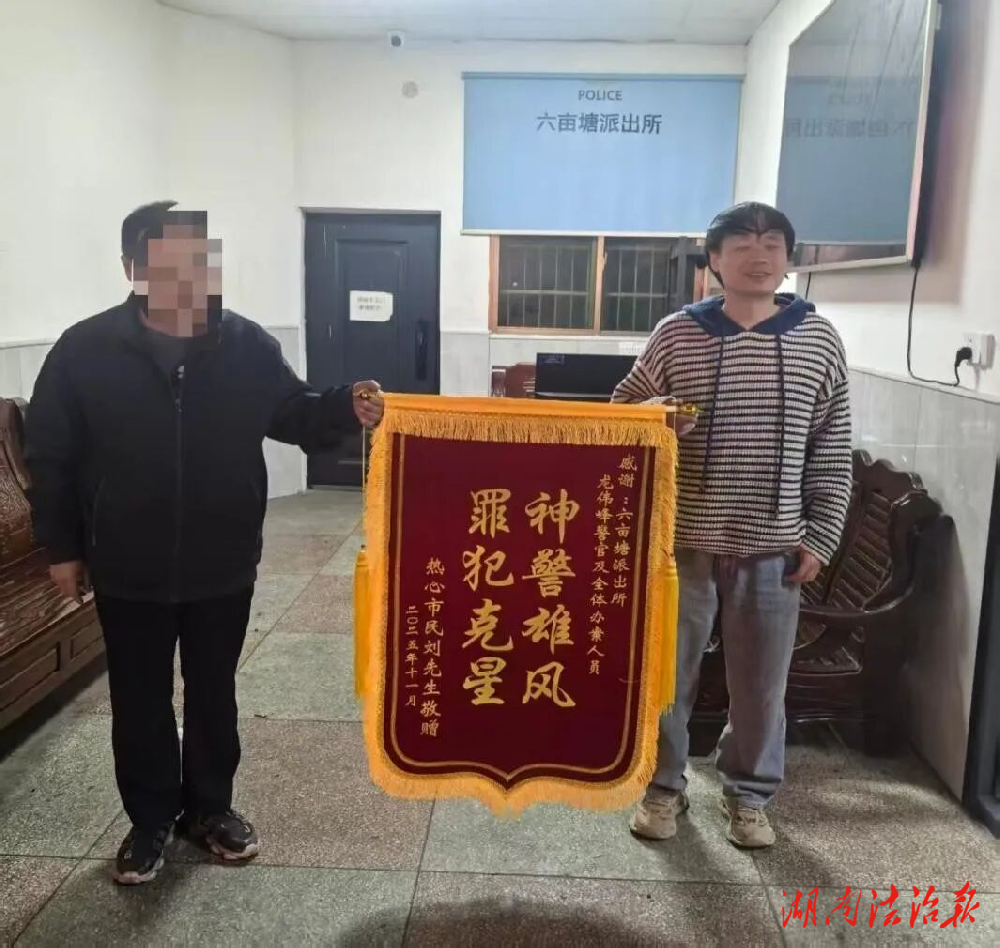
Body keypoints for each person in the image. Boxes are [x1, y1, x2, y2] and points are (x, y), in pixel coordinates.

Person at [25, 201, 384, 885]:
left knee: (214, 690)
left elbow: (293, 413)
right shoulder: (84, 350)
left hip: (222, 557)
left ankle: (211, 809)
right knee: (139, 697)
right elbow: (51, 455)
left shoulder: (244, 345)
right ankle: (150, 818)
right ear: (132, 267)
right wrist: (63, 548)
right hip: (126, 560)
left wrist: (345, 405)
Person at [613, 202, 852, 849]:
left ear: (788, 258)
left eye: (772, 243)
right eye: (741, 243)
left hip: (774, 547)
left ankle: (748, 795)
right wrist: (657, 413)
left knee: (761, 685)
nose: (758, 254)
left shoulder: (819, 339)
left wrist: (821, 535)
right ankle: (662, 787)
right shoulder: (677, 333)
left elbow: (831, 445)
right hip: (681, 544)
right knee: (668, 676)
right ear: (715, 260)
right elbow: (622, 408)